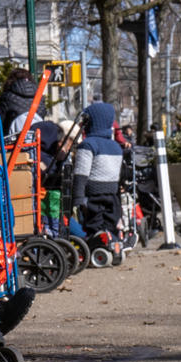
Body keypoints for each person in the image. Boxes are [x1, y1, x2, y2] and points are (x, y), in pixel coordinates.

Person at [71, 101, 125, 250]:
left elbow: (81, 174)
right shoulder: (116, 147)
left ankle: (97, 248)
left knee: (93, 225)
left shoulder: (88, 145)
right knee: (109, 223)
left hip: (93, 195)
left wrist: (77, 199)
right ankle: (115, 243)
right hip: (112, 194)